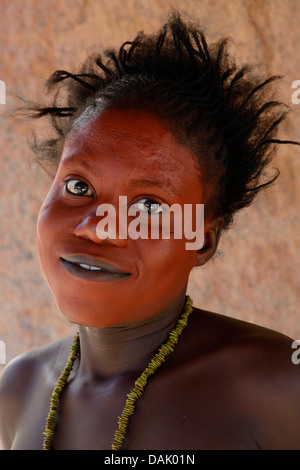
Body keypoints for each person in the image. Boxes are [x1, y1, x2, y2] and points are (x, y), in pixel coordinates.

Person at [0, 11, 300, 451]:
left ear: (204, 239)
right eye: (79, 186)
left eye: (148, 206)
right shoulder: (18, 390)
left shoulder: (277, 384)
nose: (98, 228)